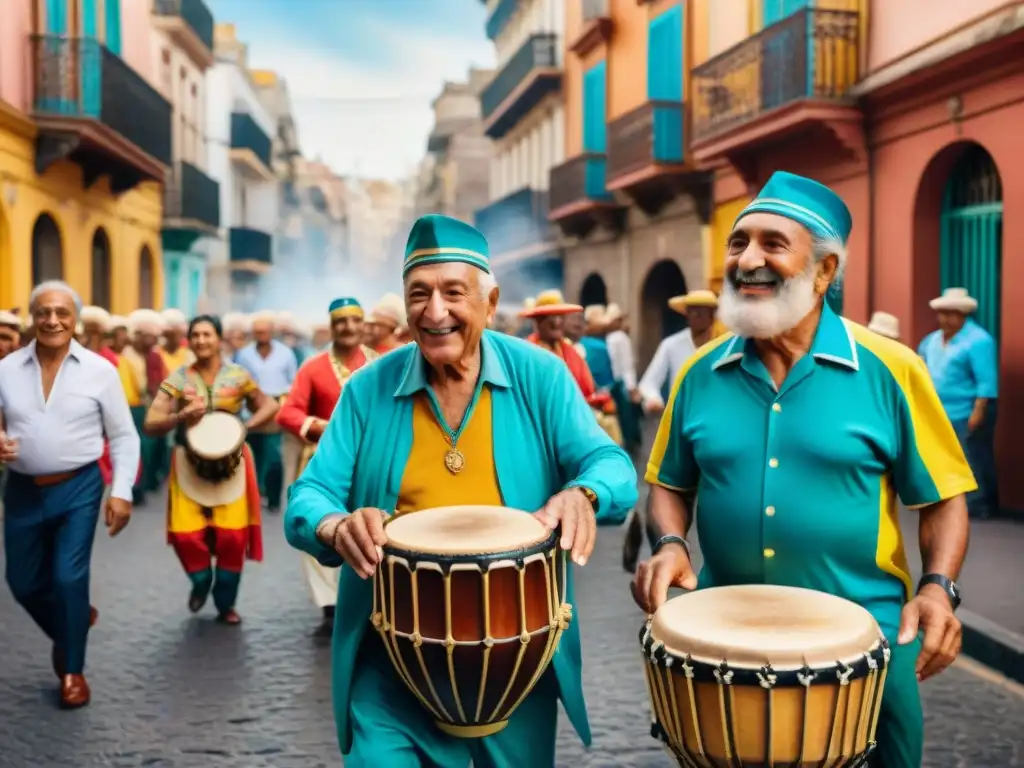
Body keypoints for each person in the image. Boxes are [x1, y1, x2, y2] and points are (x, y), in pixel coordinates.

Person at [632, 171, 974, 768]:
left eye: (772, 244)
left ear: (824, 271)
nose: (748, 259)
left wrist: (938, 589)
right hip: (722, 636)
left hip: (866, 640)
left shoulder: (892, 369)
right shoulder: (698, 371)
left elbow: (943, 499)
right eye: (739, 243)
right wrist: (667, 542)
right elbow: (668, 482)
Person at [284, 214, 637, 767]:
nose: (435, 311)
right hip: (389, 654)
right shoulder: (367, 390)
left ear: (490, 302)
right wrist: (335, 525)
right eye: (418, 294)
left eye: (454, 293)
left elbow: (611, 464)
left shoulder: (539, 375)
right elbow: (309, 497)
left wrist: (583, 495)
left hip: (515, 654)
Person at [0, 280, 139, 708]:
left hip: (79, 488)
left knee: (68, 577)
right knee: (20, 583)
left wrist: (121, 493)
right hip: (22, 490)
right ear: (32, 318)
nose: (53, 320)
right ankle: (74, 622)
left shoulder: (101, 371)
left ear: (75, 319)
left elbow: (123, 437)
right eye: (43, 312)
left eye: (62, 312)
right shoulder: (5, 369)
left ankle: (73, 671)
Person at [143, 315, 279, 624]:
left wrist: (245, 427)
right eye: (196, 335)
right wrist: (179, 417)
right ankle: (201, 581)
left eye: (207, 334)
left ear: (219, 339)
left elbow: (269, 405)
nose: (201, 340)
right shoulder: (178, 378)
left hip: (232, 465)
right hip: (189, 463)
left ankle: (225, 603)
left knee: (232, 537)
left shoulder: (239, 375)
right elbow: (151, 423)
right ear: (189, 341)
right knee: (186, 535)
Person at [277, 298, 378, 635]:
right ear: (331, 326)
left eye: (354, 320)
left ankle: (372, 593)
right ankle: (330, 605)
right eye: (341, 322)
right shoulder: (313, 367)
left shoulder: (380, 365)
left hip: (370, 463)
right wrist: (319, 427)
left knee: (369, 526)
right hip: (323, 464)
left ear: (363, 324)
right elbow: (288, 412)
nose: (348, 327)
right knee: (322, 522)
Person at [918, 288, 998, 519]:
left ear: (963, 314)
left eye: (952, 313)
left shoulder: (979, 340)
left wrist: (979, 410)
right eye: (942, 313)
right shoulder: (931, 340)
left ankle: (981, 504)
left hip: (969, 408)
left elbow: (986, 380)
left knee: (974, 456)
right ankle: (951, 500)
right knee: (946, 457)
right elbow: (921, 366)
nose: (946, 318)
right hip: (941, 409)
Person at [236, 311, 297, 512]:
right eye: (257, 332)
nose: (261, 335)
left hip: (275, 407)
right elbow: (237, 380)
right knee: (252, 455)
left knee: (274, 456)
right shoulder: (244, 354)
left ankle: (273, 499)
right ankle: (254, 495)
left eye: (264, 332)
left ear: (271, 332)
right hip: (251, 410)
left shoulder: (285, 353)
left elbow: (293, 382)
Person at [636, 290, 720, 412]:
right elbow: (648, 383)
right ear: (686, 315)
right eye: (692, 311)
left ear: (712, 315)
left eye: (702, 311)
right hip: (681, 417)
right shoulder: (670, 345)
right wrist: (654, 399)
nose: (696, 314)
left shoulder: (724, 345)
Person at [120, 309, 168, 502]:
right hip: (132, 407)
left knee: (150, 448)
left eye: (155, 337)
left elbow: (162, 381)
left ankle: (146, 481)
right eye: (149, 337)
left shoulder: (155, 357)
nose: (153, 341)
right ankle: (134, 486)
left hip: (151, 407)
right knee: (136, 449)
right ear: (138, 335)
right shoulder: (126, 356)